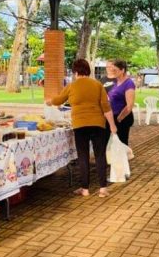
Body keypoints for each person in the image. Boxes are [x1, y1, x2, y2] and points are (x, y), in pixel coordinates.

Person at [47, 59, 118, 197]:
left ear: (75, 72)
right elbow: (106, 107)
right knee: (100, 155)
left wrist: (50, 101)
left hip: (80, 125)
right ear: (88, 70)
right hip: (98, 124)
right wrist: (113, 125)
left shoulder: (72, 86)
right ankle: (103, 188)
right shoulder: (98, 85)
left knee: (83, 156)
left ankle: (85, 189)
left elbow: (58, 100)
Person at [105, 59, 136, 146]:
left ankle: (122, 159)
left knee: (121, 144)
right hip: (113, 117)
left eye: (115, 70)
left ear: (122, 70)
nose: (112, 72)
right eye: (112, 69)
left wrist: (119, 118)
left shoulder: (128, 83)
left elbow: (129, 106)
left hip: (122, 119)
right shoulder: (116, 81)